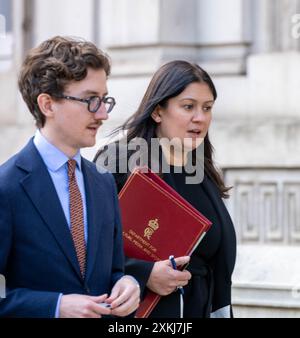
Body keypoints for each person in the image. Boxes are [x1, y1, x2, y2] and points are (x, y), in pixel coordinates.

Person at [0, 36, 140, 318]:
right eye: (90, 100)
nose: (102, 114)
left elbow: (114, 271)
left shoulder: (103, 183)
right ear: (47, 104)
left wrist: (128, 283)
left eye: (104, 100)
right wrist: (55, 307)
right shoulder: (7, 186)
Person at [94, 60, 236, 318]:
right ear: (158, 111)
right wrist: (144, 274)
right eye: (188, 107)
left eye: (207, 108)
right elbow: (88, 248)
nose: (200, 118)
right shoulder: (118, 162)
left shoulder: (202, 173)